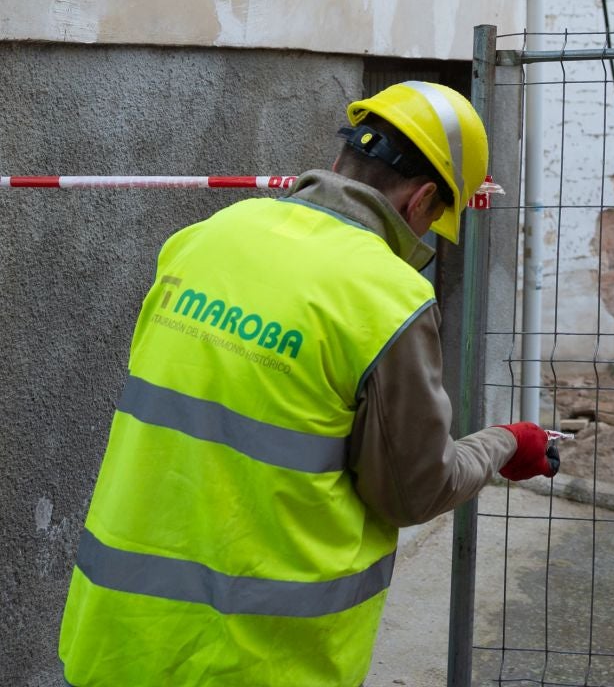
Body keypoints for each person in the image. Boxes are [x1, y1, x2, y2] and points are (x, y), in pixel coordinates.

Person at [58, 82, 558, 686]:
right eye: (434, 216)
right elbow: (412, 492)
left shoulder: (206, 237)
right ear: (423, 198)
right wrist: (506, 441)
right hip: (258, 660)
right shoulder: (387, 297)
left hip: (117, 636)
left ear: (339, 161)